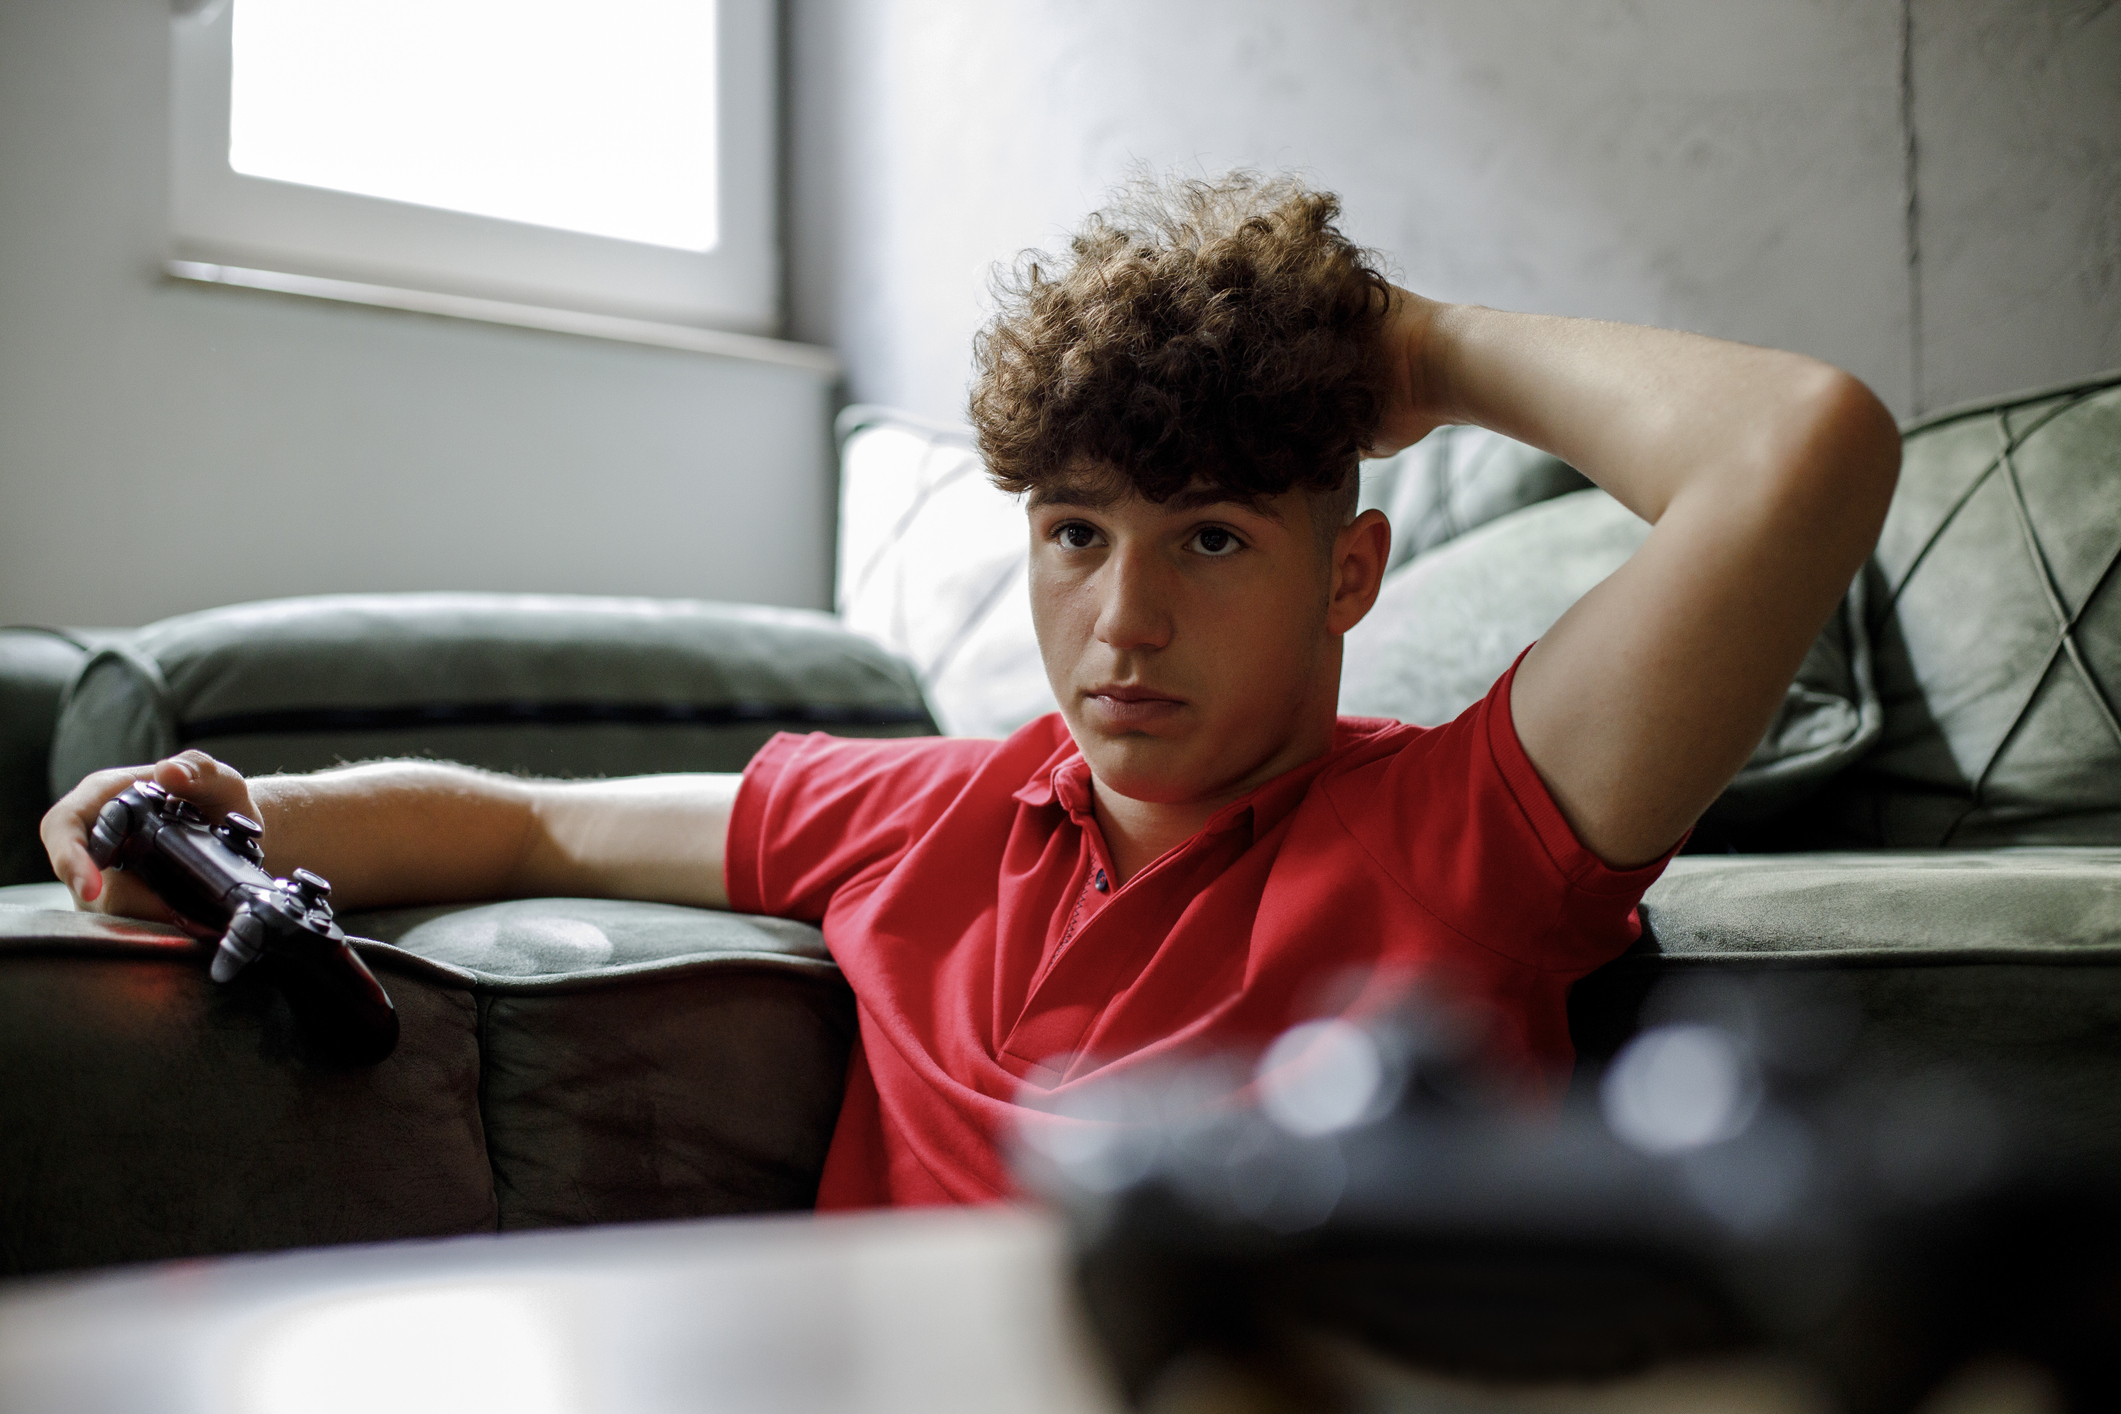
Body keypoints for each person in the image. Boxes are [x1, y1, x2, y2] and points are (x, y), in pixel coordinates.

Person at [40, 173, 1900, 1208]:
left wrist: (1399, 342)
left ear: (1350, 573)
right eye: (1077, 536)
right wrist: (229, 824)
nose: (1124, 624)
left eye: (1214, 543)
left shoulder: (1467, 828)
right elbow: (528, 816)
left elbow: (1799, 446)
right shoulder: (932, 807)